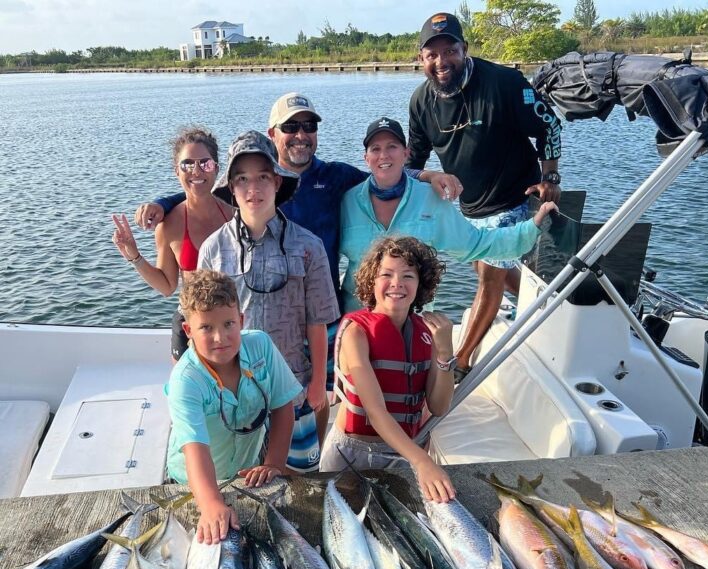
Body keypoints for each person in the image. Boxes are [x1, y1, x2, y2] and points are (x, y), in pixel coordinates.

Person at [133, 93, 461, 392]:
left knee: (324, 398)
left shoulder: (336, 177)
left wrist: (428, 175)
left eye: (308, 126)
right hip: (265, 329)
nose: (301, 134)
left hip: (325, 317)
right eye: (290, 126)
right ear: (273, 134)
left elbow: (385, 174)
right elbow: (207, 187)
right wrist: (164, 203)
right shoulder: (240, 200)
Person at [407, 12, 563, 382]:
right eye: (432, 55)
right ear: (421, 59)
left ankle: (459, 364)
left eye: (450, 51)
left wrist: (550, 175)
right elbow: (413, 163)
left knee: (489, 278)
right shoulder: (420, 102)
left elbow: (550, 125)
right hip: (469, 205)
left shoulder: (504, 83)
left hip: (515, 195)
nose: (442, 62)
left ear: (465, 49)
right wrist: (425, 183)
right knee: (490, 268)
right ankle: (550, 308)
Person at [199, 130, 340, 474]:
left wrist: (318, 384)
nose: (254, 188)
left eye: (263, 177)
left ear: (278, 182)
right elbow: (200, 326)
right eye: (243, 179)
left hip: (293, 383)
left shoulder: (309, 246)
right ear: (231, 188)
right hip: (233, 390)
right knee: (240, 477)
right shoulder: (212, 249)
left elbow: (317, 321)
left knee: (296, 477)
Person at [339, 117, 557, 314]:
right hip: (357, 325)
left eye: (392, 147)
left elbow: (477, 243)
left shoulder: (430, 199)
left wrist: (532, 227)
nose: (384, 155)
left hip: (414, 323)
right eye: (375, 149)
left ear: (406, 153)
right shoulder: (347, 201)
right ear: (366, 158)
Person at [165, 270, 301, 544]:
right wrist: (211, 504)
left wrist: (274, 462)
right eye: (206, 328)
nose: (220, 337)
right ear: (188, 330)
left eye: (228, 324)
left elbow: (282, 407)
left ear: (241, 320)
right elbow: (195, 449)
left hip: (249, 470)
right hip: (193, 481)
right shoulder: (185, 380)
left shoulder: (261, 345)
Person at [319, 236, 456, 503]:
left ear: (421, 284)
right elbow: (375, 410)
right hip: (351, 454)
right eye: (387, 274)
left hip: (404, 453)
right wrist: (422, 462)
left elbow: (438, 406)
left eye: (408, 275)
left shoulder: (426, 333)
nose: (397, 283)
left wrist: (445, 353)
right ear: (372, 280)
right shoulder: (356, 332)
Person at [111, 127, 233, 360]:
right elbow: (167, 286)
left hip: (231, 326)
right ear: (176, 171)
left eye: (205, 163)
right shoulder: (168, 225)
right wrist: (134, 256)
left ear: (216, 168)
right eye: (187, 164)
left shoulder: (235, 214)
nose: (196, 171)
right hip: (189, 326)